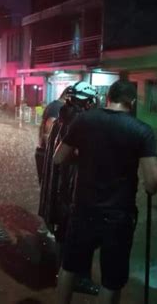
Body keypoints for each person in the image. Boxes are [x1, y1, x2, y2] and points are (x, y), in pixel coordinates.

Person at [53, 79, 157, 304]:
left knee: (69, 268)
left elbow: (58, 157)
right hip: (118, 216)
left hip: (82, 209)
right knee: (111, 280)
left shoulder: (84, 120)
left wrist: (83, 158)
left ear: (108, 97)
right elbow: (153, 181)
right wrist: (151, 186)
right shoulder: (141, 131)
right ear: (132, 101)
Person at [38, 81, 100, 295]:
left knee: (62, 235)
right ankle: (76, 279)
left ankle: (61, 274)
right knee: (76, 238)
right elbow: (76, 157)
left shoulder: (61, 119)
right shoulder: (78, 122)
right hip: (70, 191)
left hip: (56, 190)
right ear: (89, 102)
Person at [35, 87, 71, 183]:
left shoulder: (53, 105)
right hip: (46, 153)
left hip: (43, 151)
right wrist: (53, 155)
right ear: (67, 97)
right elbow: (48, 131)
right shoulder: (58, 108)